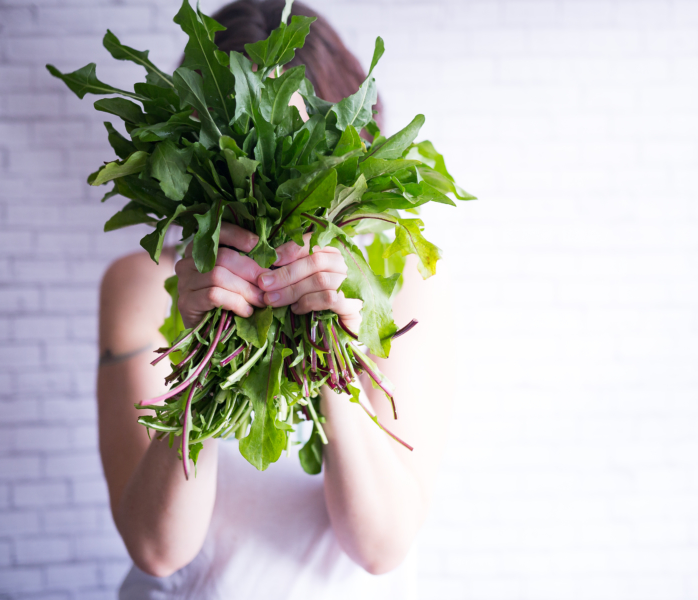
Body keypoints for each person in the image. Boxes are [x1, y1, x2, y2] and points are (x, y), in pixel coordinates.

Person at [96, 1, 455, 597]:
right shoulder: (139, 284)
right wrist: (204, 352)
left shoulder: (402, 281)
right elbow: (158, 549)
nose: (262, 177)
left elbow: (380, 545)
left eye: (292, 145)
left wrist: (331, 356)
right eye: (241, 140)